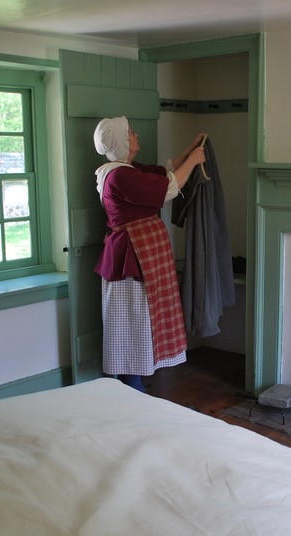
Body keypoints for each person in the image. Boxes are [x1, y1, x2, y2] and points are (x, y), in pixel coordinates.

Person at [93, 116, 206, 392]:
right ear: (122, 142)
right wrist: (193, 162)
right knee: (134, 321)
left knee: (140, 319)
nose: (136, 136)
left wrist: (188, 153)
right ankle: (132, 386)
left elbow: (163, 174)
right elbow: (168, 187)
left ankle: (133, 385)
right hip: (131, 258)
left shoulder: (124, 170)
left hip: (140, 254)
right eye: (130, 133)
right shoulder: (119, 175)